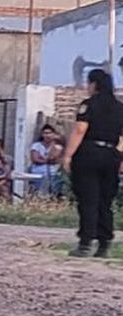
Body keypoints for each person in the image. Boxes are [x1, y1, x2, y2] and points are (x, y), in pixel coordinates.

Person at [60, 68, 123, 257]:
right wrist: (119, 156)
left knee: (88, 200)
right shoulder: (120, 108)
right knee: (105, 201)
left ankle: (85, 243)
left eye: (89, 83)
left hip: (89, 154)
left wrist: (68, 155)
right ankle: (104, 244)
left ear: (94, 84)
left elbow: (80, 130)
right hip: (111, 155)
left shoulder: (88, 105)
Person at [29, 124, 64, 197]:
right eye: (45, 133)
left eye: (50, 133)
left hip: (53, 173)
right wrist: (47, 160)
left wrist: (53, 143)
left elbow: (53, 159)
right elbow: (35, 159)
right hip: (38, 172)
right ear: (42, 135)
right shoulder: (36, 145)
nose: (48, 135)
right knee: (38, 192)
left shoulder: (58, 147)